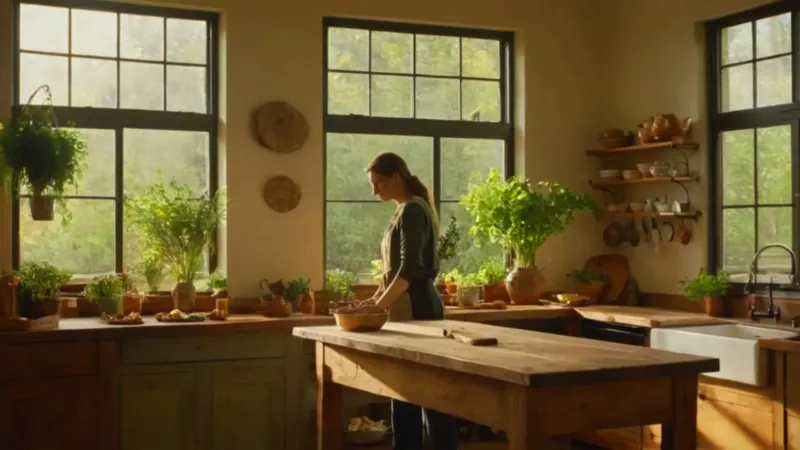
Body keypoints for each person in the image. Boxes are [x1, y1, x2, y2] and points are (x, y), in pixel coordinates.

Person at [357, 151, 458, 450]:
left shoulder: (413, 210)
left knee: (428, 395)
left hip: (418, 308)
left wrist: (379, 307)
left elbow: (410, 269)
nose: (375, 191)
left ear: (396, 176)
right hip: (405, 306)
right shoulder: (403, 210)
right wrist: (373, 300)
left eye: (378, 183)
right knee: (403, 393)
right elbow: (392, 272)